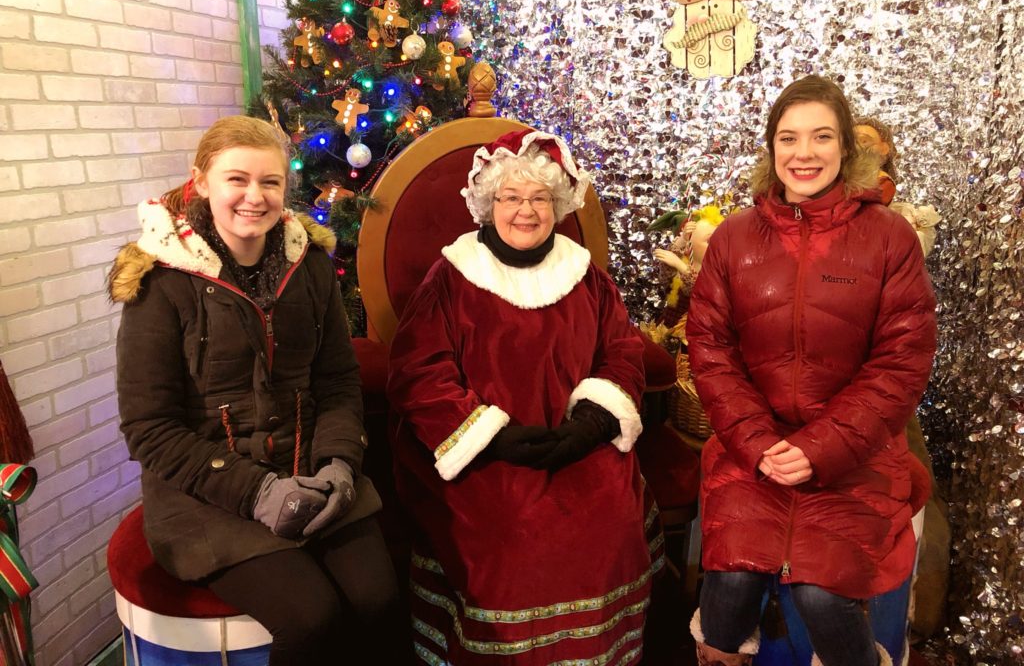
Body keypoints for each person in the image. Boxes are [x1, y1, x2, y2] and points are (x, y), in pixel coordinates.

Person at [109, 115, 403, 665]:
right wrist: (257, 493)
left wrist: (339, 460)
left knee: (380, 600)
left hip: (311, 467)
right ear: (201, 182)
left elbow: (338, 381)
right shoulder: (161, 283)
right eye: (236, 179)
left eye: (269, 182)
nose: (254, 196)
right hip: (208, 495)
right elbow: (149, 429)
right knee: (311, 617)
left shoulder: (310, 266)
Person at [685, 76, 937, 666]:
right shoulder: (734, 239)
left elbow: (902, 361)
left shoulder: (890, 238)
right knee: (729, 591)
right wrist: (759, 442)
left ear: (846, 148)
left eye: (821, 137)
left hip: (855, 455)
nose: (804, 153)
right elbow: (710, 349)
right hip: (755, 454)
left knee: (823, 595)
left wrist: (819, 449)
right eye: (789, 138)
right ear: (771, 149)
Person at [386, 130, 658, 665]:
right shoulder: (451, 276)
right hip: (484, 453)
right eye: (511, 197)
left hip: (576, 442)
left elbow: (623, 350)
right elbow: (418, 372)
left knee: (609, 518)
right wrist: (492, 436)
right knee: (508, 537)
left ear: (557, 205)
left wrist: (596, 421)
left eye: (539, 198)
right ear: (489, 204)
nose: (526, 211)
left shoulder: (587, 277)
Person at [853, 116, 899, 205]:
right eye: (853, 142)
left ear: (884, 149)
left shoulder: (882, 182)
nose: (857, 147)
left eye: (864, 141)